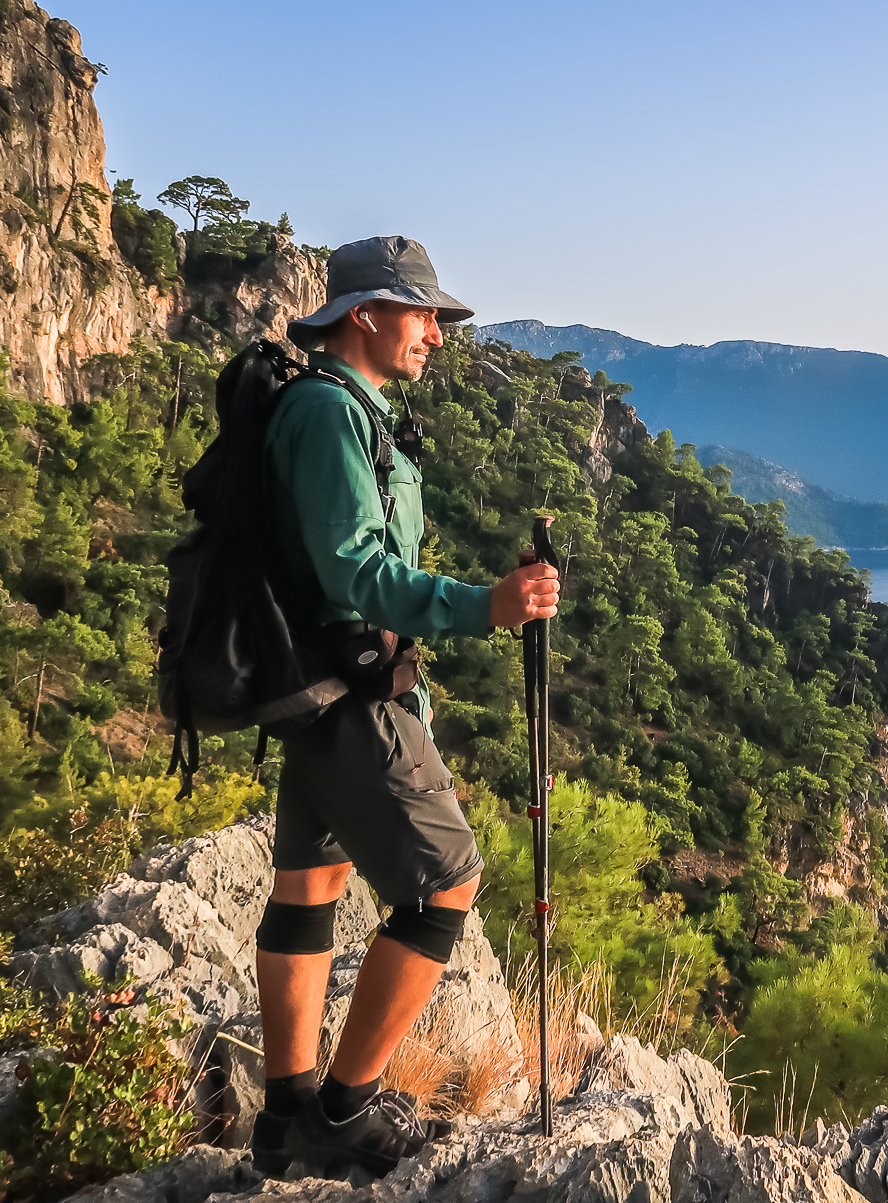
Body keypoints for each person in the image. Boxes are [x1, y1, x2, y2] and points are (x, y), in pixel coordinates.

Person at [248, 236, 559, 1176]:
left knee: (312, 885)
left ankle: (286, 1113)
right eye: (421, 313)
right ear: (365, 315)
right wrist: (485, 606)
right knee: (444, 885)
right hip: (348, 693)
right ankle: (343, 1112)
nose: (435, 332)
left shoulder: (350, 412)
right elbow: (357, 571)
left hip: (313, 685)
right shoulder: (330, 416)